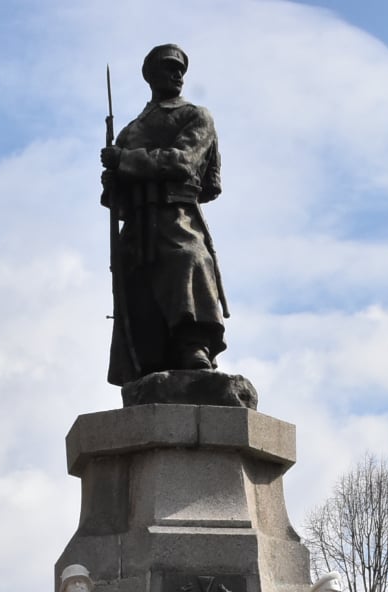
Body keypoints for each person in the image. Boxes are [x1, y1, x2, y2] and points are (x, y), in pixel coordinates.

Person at [101, 42, 229, 382]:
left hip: (177, 216)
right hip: (139, 223)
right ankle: (150, 362)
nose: (178, 75)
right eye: (170, 68)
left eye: (180, 70)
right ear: (151, 76)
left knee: (188, 259)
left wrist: (127, 161)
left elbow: (185, 162)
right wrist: (113, 181)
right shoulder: (130, 130)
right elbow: (115, 200)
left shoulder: (195, 116)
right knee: (137, 292)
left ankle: (195, 345)